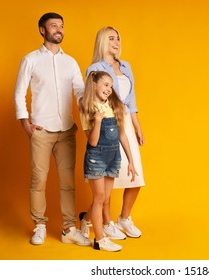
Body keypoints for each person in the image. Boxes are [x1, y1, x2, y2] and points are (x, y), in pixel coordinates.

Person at [13, 12, 91, 246]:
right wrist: (25, 123)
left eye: (61, 26)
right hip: (41, 130)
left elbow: (80, 91)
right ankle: (39, 225)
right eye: (53, 25)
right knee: (38, 180)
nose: (59, 29)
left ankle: (69, 229)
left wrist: (93, 106)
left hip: (66, 130)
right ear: (42, 30)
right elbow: (19, 92)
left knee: (68, 182)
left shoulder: (71, 62)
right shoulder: (31, 59)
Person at [80, 26, 145, 239]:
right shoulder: (95, 68)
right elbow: (91, 99)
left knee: (135, 176)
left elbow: (131, 100)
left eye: (118, 38)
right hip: (107, 122)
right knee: (109, 176)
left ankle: (124, 218)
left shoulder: (126, 66)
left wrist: (136, 126)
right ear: (101, 41)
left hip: (124, 121)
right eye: (111, 39)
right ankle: (106, 222)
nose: (116, 42)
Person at [80, 71, 137, 252]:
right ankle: (100, 240)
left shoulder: (113, 105)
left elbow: (122, 135)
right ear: (94, 85)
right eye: (105, 84)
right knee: (99, 199)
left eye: (111, 86)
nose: (109, 89)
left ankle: (86, 220)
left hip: (113, 157)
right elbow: (93, 142)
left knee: (104, 199)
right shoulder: (88, 108)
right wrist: (97, 121)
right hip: (96, 158)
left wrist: (131, 160)